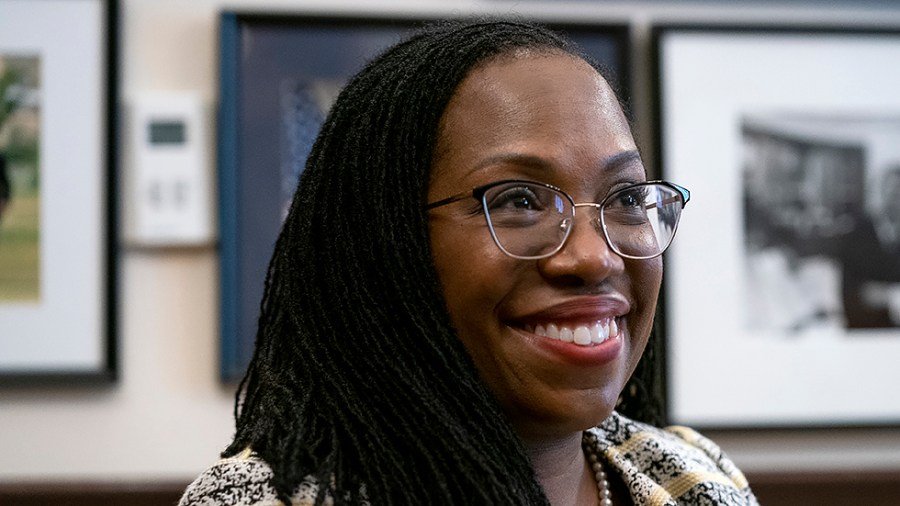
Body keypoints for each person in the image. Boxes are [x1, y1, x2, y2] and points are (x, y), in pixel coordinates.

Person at [180, 19, 757, 505]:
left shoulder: (692, 476)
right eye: (519, 200)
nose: (594, 257)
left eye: (627, 198)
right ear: (388, 241)